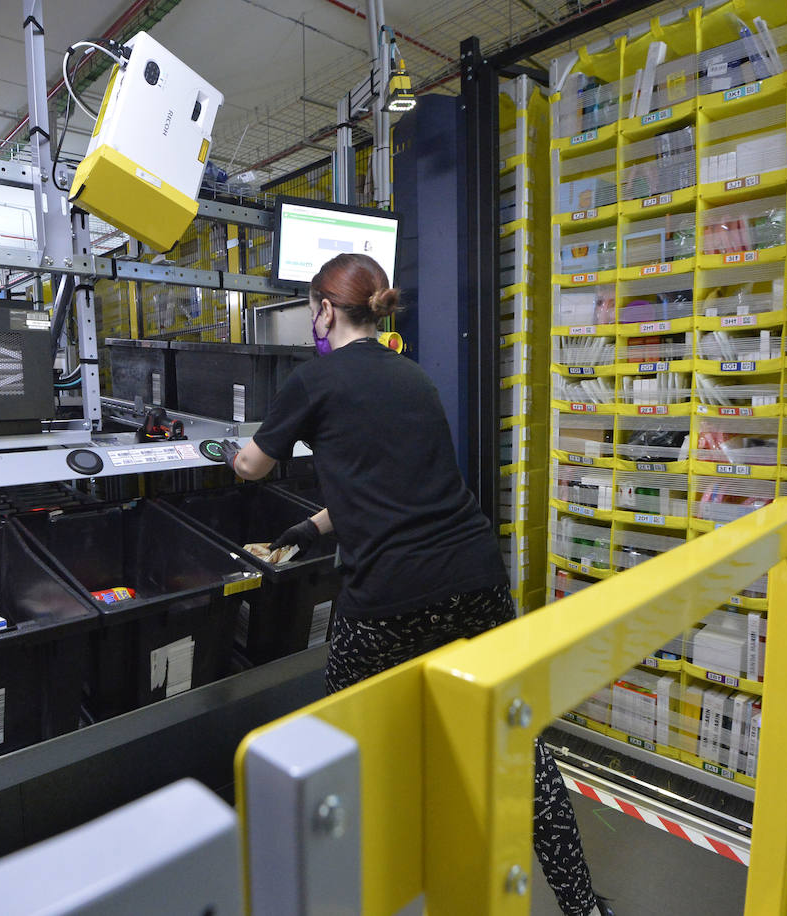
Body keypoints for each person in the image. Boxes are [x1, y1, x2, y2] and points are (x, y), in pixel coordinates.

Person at [222, 252, 614, 916]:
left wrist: (233, 451)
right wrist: (310, 534)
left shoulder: (313, 381)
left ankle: (360, 891)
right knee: (519, 744)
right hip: (475, 576)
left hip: (389, 597)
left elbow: (252, 469)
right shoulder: (414, 378)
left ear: (322, 308)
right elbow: (391, 491)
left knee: (343, 741)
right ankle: (585, 906)